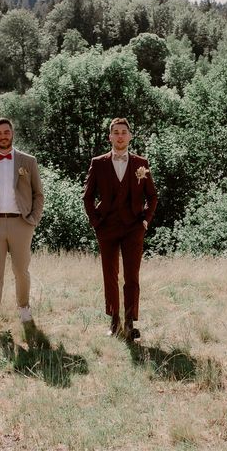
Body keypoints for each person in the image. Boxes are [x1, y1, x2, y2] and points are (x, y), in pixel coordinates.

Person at [82, 117, 158, 340]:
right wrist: (96, 223)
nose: (120, 135)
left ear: (130, 136)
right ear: (110, 137)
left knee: (132, 277)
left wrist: (145, 221)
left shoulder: (141, 163)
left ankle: (129, 322)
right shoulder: (99, 163)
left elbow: (152, 196)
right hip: (107, 227)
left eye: (124, 132)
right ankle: (114, 322)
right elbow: (87, 197)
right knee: (110, 275)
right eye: (116, 132)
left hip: (134, 227)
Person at [0, 118, 44, 338]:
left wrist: (32, 219)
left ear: (12, 133)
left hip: (21, 223)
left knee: (21, 271)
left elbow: (38, 194)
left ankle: (23, 308)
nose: (3, 136)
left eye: (6, 132)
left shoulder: (28, 161)